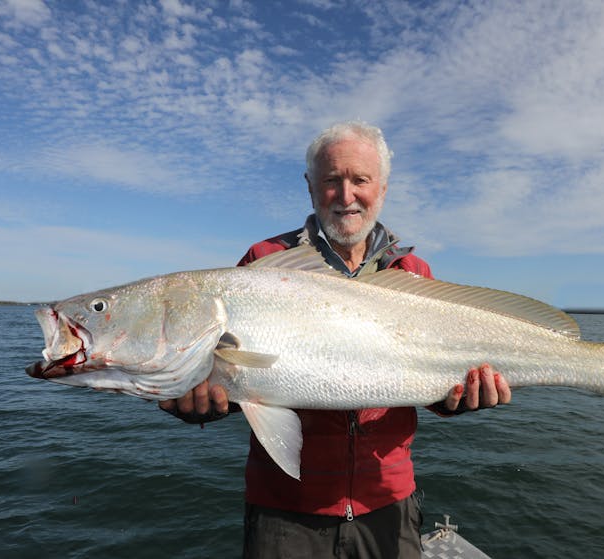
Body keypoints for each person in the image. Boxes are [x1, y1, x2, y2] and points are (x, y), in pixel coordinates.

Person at [159, 121, 512, 558]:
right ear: (311, 187)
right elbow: (243, 382)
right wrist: (202, 404)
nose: (346, 196)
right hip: (285, 511)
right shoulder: (265, 263)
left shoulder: (413, 273)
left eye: (360, 180)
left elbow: (429, 380)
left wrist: (457, 398)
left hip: (389, 503)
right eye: (331, 181)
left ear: (381, 187)